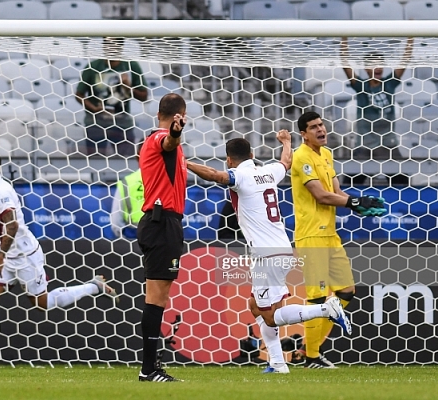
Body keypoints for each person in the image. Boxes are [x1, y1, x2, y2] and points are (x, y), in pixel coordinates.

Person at [186, 134, 352, 374]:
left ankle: (326, 310)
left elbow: (215, 175)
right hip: (283, 248)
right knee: (255, 305)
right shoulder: (270, 171)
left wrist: (185, 163)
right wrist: (286, 142)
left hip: (266, 255)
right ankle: (277, 363)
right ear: (252, 155)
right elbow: (286, 161)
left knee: (271, 316)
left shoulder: (239, 175)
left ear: (229, 160)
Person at [0, 150, 120, 367]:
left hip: (23, 256)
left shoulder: (1, 191)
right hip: (5, 251)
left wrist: (0, 256)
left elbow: (12, 225)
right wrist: (1, 254)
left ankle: (93, 287)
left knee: (43, 303)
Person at [291, 111, 386, 369]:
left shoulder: (327, 154)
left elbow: (337, 193)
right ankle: (311, 357)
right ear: (303, 134)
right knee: (318, 299)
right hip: (311, 235)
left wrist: (358, 204)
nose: (321, 130)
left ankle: (309, 349)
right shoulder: (301, 157)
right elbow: (320, 195)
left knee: (346, 291)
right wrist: (355, 202)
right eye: (314, 127)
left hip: (330, 235)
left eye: (321, 125)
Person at [136, 93, 187, 382]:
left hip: (165, 223)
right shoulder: (159, 139)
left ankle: (151, 367)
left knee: (160, 298)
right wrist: (175, 133)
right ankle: (148, 370)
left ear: (158, 113)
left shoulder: (166, 145)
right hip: (161, 222)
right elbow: (168, 141)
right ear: (181, 114)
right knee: (156, 299)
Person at [340, 37, 414, 160]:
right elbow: (345, 63)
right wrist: (344, 38)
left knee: (401, 177)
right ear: (366, 69)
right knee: (352, 177)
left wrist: (411, 37)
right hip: (365, 144)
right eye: (373, 65)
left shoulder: (389, 83)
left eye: (380, 64)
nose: (378, 68)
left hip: (387, 144)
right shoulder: (361, 86)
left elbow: (405, 60)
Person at [75, 37, 148, 157]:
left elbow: (144, 96)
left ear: (121, 46)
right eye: (107, 44)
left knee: (127, 163)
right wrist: (94, 109)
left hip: (122, 123)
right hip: (96, 124)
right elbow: (79, 95)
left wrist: (127, 87)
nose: (110, 47)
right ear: (103, 46)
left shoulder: (131, 66)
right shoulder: (92, 67)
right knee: (95, 163)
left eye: (114, 44)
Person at [110, 143, 144, 239]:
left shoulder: (127, 182)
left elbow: (116, 221)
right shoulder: (166, 180)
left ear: (138, 156)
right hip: (160, 236)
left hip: (133, 237)